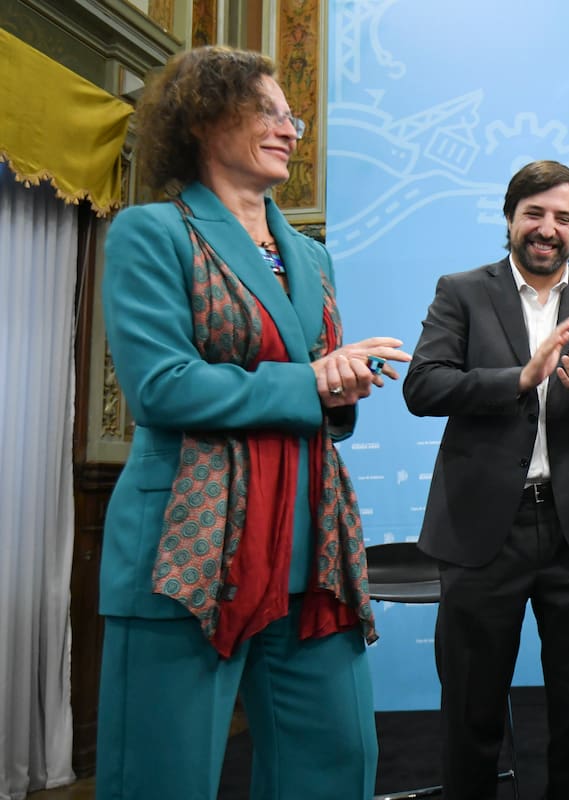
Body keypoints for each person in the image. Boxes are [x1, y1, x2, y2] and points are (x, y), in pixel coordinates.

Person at [96, 46, 409, 800]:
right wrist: (310, 382)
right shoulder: (151, 233)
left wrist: (340, 391)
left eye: (291, 114)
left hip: (312, 549)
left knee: (338, 766)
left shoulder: (312, 255)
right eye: (267, 111)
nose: (289, 128)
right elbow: (161, 388)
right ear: (205, 119)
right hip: (189, 552)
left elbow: (319, 395)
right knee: (160, 778)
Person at [403, 160, 569, 799]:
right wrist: (518, 378)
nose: (547, 228)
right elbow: (422, 386)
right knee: (471, 712)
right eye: (534, 213)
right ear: (510, 218)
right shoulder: (462, 291)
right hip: (483, 531)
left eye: (563, 218)